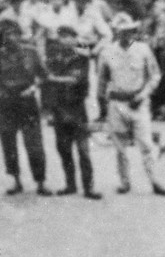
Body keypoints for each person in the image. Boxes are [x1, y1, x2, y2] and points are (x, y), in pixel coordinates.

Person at [98, 13, 165, 196]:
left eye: (129, 31)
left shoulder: (143, 50)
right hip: (117, 102)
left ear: (133, 31)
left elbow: (155, 75)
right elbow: (102, 80)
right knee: (119, 146)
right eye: (121, 31)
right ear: (116, 32)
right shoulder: (107, 52)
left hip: (138, 102)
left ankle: (155, 180)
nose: (125, 34)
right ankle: (124, 181)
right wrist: (103, 105)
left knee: (146, 143)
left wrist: (143, 95)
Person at [44, 24, 101, 199]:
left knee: (83, 150)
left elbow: (77, 80)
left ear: (75, 38)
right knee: (64, 149)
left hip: (77, 109)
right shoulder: (54, 58)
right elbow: (47, 80)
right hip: (59, 108)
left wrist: (55, 79)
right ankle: (70, 185)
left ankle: (88, 187)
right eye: (62, 37)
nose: (65, 40)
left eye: (68, 37)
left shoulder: (81, 58)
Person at [0, 16, 50, 196]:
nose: (11, 37)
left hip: (27, 102)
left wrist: (34, 87)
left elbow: (44, 76)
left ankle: (41, 182)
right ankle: (16, 181)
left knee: (34, 144)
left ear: (20, 34)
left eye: (14, 33)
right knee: (9, 145)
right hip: (6, 104)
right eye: (7, 34)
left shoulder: (31, 52)